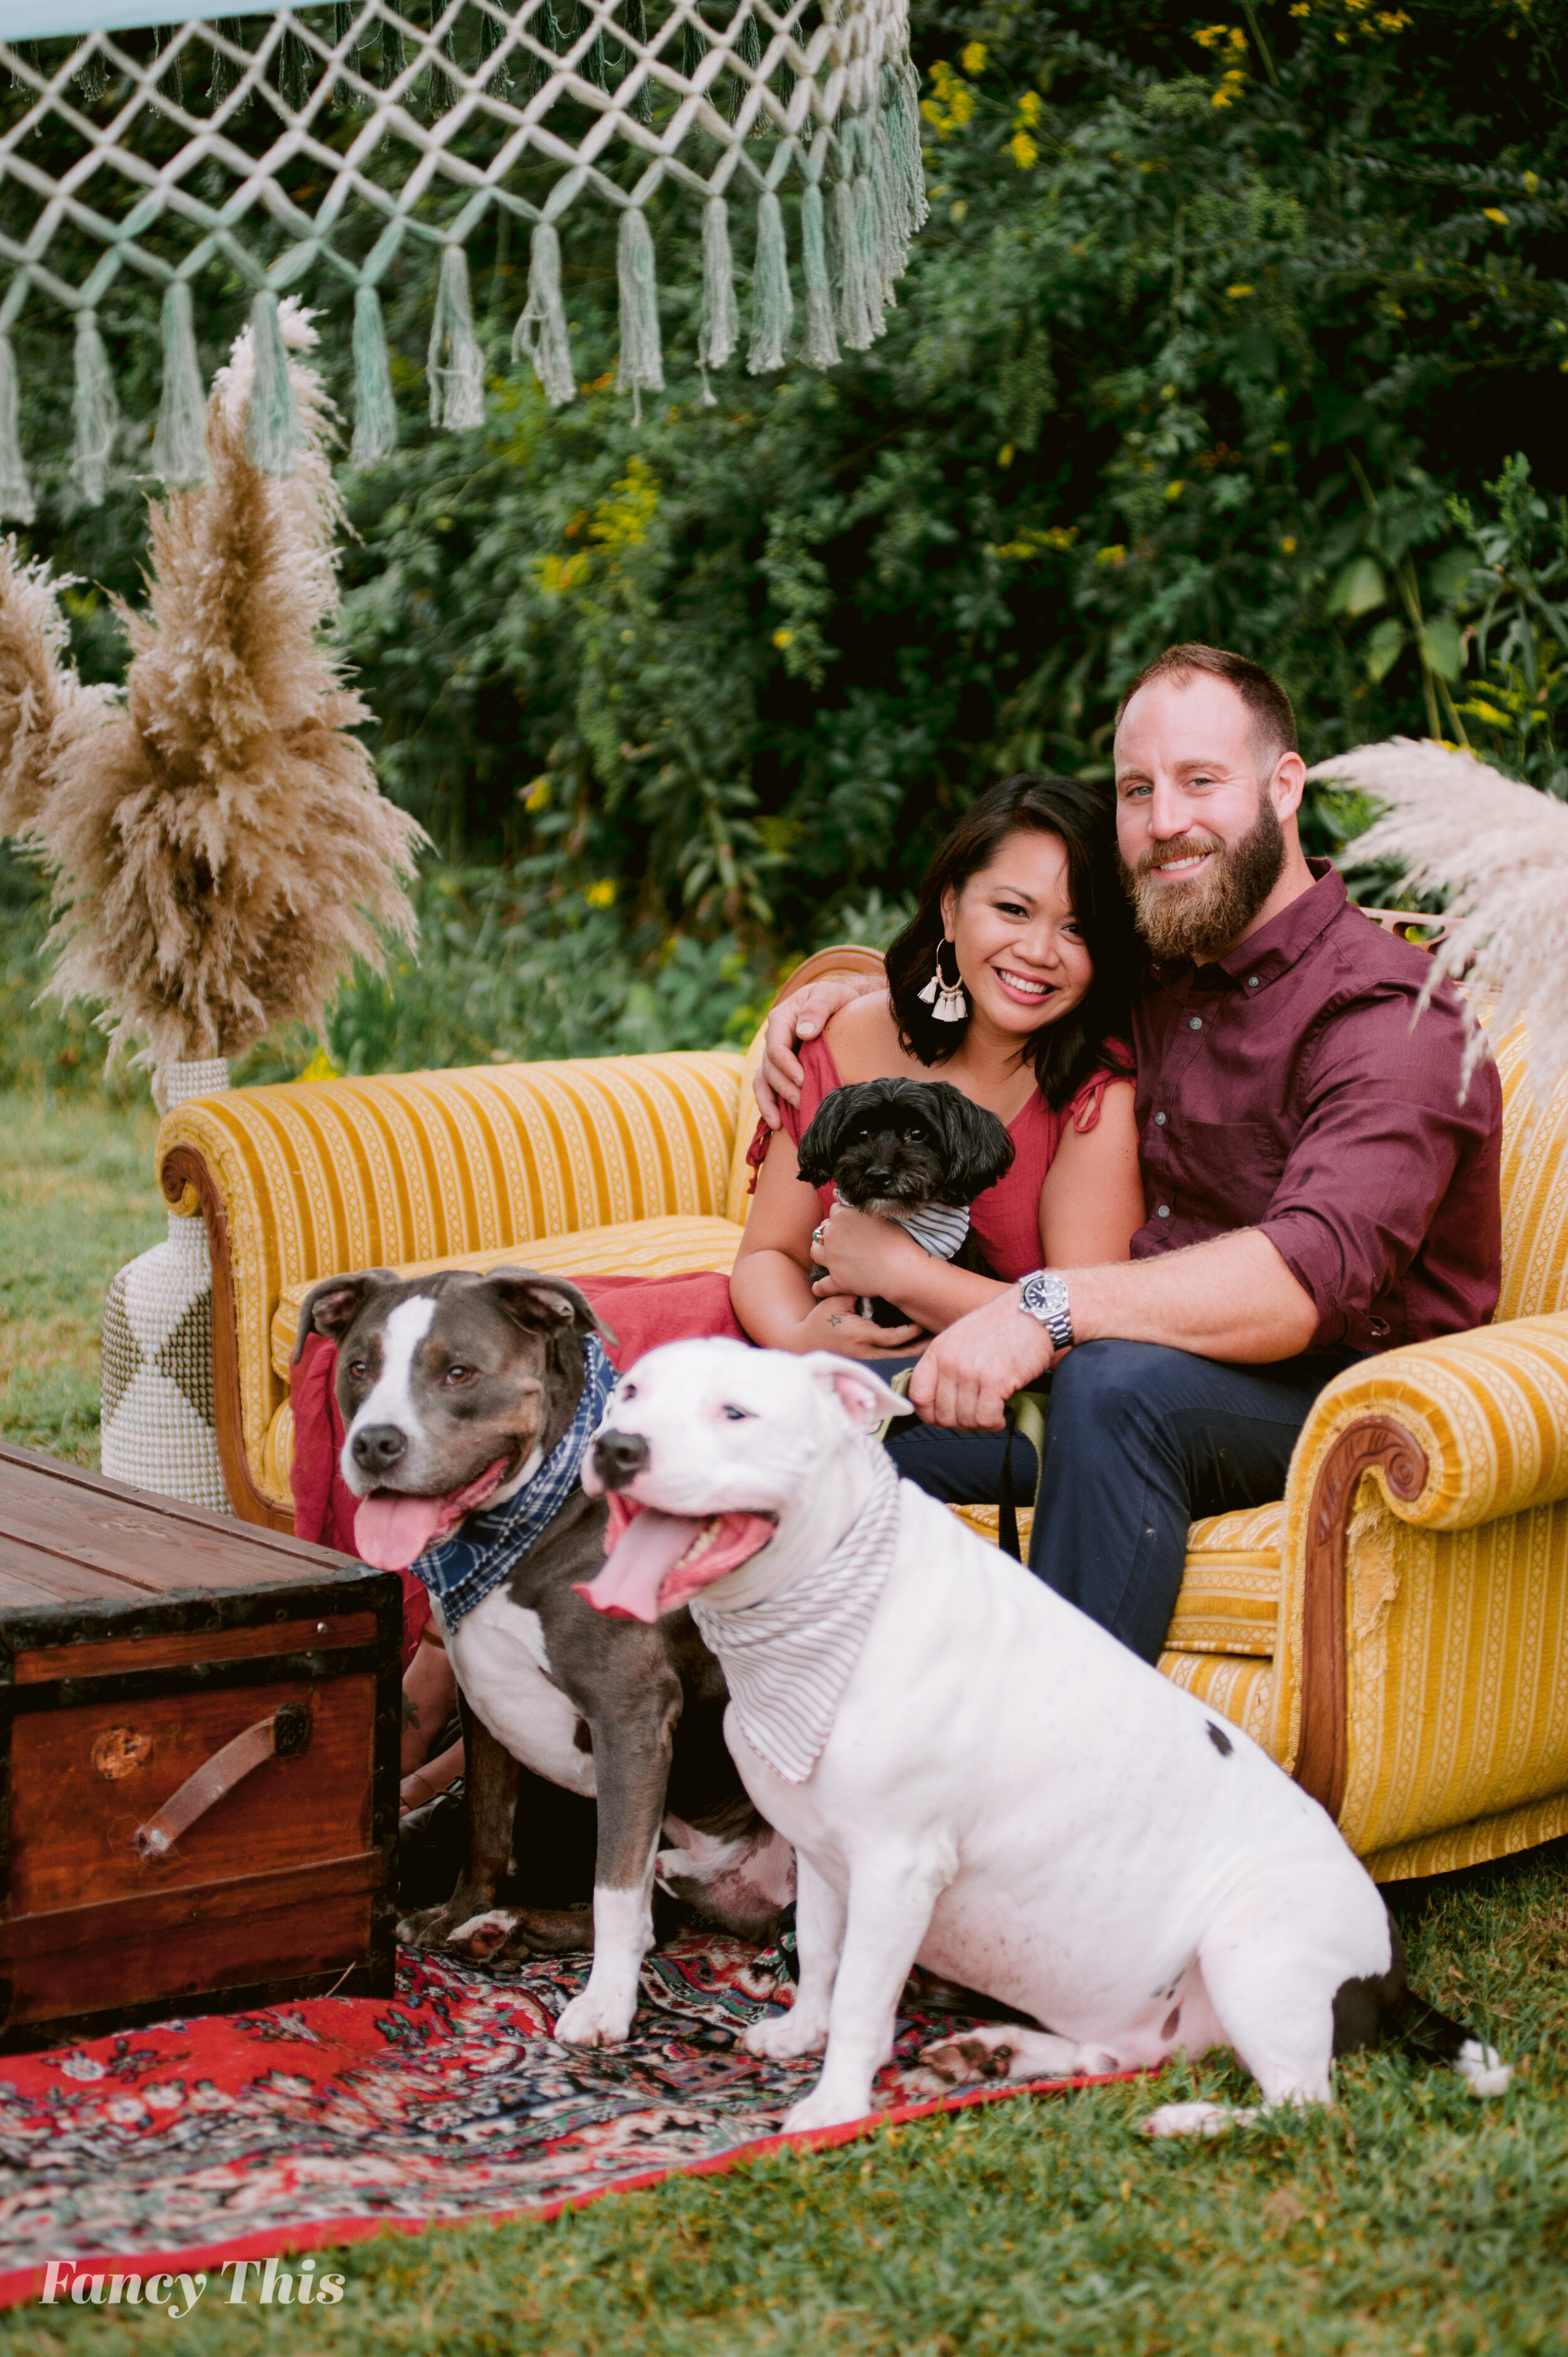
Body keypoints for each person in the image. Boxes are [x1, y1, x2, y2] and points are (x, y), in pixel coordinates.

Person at [756, 644, 1503, 1663]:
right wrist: (827, 1005)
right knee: (803, 1423)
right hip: (1131, 1359)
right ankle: (752, 1784)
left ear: (1284, 788)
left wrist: (1047, 1308)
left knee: (1111, 1385)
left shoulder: (1391, 1013)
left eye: (1202, 781)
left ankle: (1056, 1795)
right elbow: (1002, 975)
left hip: (1333, 1394)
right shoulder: (1163, 963)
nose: (1165, 819)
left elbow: (1307, 1275)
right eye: (1138, 789)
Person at [732, 776, 1145, 1466]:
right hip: (820, 1374)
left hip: (987, 1410)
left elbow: (1085, 1326)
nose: (1040, 950)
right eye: (1012, 909)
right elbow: (770, 1252)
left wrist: (904, 1274)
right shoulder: (836, 1040)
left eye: (1076, 928)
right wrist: (801, 1335)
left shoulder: (1096, 1096)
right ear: (952, 908)